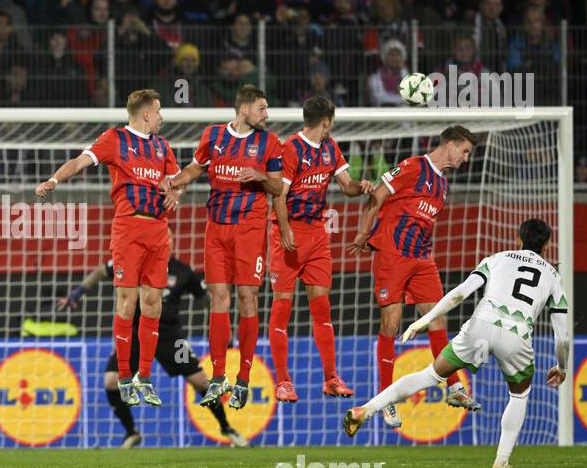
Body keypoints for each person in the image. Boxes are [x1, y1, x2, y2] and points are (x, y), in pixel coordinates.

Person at [343, 220, 569, 468]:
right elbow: (562, 336)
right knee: (519, 395)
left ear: (519, 238)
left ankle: (366, 409)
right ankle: (500, 464)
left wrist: (423, 320)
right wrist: (561, 367)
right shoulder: (553, 276)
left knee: (429, 375)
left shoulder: (496, 258)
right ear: (548, 245)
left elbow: (460, 293)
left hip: (480, 325)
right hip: (516, 336)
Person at [35, 90, 180, 407]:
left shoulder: (162, 146)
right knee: (127, 302)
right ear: (145, 114)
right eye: (158, 111)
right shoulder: (115, 139)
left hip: (158, 229)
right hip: (128, 228)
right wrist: (54, 181)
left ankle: (144, 377)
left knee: (153, 302)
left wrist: (175, 192)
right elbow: (80, 161)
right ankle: (125, 376)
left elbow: (178, 180)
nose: (161, 117)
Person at [346, 128, 482, 429]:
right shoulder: (412, 167)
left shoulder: (443, 185)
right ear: (450, 145)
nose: (466, 158)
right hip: (392, 256)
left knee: (437, 320)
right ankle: (386, 399)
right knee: (391, 325)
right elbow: (377, 196)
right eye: (465, 151)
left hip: (422, 259)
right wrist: (363, 232)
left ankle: (455, 387)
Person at [161, 85, 283, 410]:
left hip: (250, 229)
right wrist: (174, 181)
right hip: (216, 228)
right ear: (244, 110)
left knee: (247, 298)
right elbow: (194, 169)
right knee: (218, 298)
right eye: (262, 108)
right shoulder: (213, 136)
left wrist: (259, 175)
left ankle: (243, 378)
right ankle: (218, 377)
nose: (266, 114)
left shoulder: (269, 142)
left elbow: (279, 186)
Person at [56, 258, 246, 448]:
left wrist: (223, 330)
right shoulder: (135, 260)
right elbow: (100, 271)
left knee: (200, 380)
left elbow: (205, 299)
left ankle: (226, 427)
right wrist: (77, 293)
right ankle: (131, 432)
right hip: (136, 332)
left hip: (169, 335)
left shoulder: (182, 271)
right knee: (111, 381)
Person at [267, 96, 374, 403]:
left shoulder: (330, 147)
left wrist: (361, 186)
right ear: (326, 121)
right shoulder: (290, 149)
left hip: (317, 234)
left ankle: (331, 378)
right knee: (282, 309)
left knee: (322, 309)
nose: (332, 126)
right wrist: (285, 229)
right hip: (286, 234)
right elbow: (279, 195)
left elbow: (347, 186)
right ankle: (283, 382)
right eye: (332, 121)